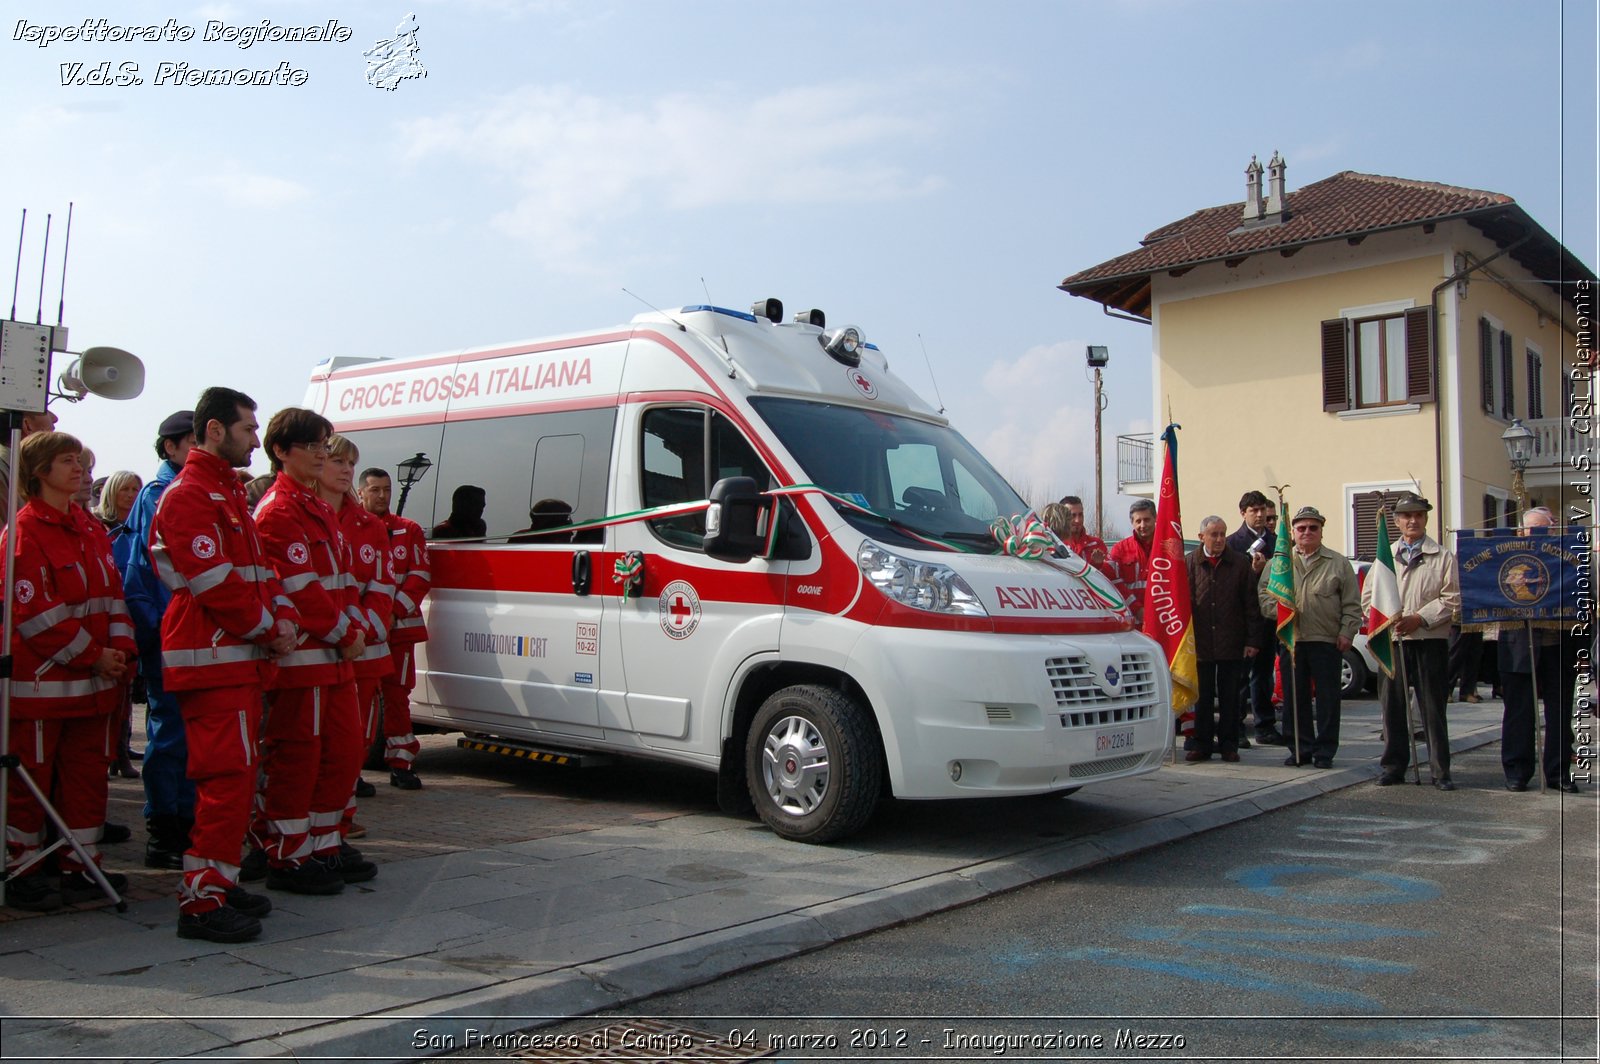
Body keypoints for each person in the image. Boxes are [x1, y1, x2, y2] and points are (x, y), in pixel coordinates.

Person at [149, 388, 286, 940]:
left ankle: (220, 882)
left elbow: (258, 573)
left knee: (238, 778)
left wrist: (275, 621)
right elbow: (214, 585)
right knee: (225, 781)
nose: (256, 439)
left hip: (235, 661)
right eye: (248, 429)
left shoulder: (224, 494)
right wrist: (270, 628)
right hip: (214, 661)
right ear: (213, 430)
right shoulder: (190, 496)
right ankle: (201, 903)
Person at [0, 431, 136, 912]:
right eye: (66, 461)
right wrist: (94, 654)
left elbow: (112, 597)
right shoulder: (24, 532)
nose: (78, 469)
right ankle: (23, 868)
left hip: (95, 687)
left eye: (79, 460)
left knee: (86, 781)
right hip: (43, 690)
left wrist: (120, 648)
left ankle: (82, 865)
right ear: (39, 473)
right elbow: (37, 615)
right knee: (28, 784)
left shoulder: (90, 528)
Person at [253, 409, 377, 894]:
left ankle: (323, 844)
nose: (324, 456)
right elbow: (301, 590)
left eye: (326, 445)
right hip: (303, 661)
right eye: (314, 447)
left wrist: (353, 629)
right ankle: (286, 855)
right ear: (282, 453)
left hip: (335, 658)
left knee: (343, 754)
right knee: (298, 758)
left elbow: (341, 585)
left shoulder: (318, 508)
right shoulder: (279, 510)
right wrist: (345, 631)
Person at [122, 411, 201, 869]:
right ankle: (164, 828)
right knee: (169, 734)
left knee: (191, 735)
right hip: (169, 636)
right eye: (190, 442)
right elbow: (140, 577)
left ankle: (186, 820)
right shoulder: (158, 496)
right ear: (169, 447)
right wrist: (158, 633)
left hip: (189, 636)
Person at [315, 435, 396, 822]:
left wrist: (361, 632)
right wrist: (342, 632)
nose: (346, 470)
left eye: (352, 463)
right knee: (313, 744)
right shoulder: (306, 513)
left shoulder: (370, 526)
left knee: (353, 742)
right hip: (316, 648)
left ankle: (340, 822)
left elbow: (381, 586)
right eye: (338, 461)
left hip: (362, 650)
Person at [1366, 493, 1461, 790]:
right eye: (1406, 516)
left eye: (1418, 515)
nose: (1412, 520)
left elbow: (1453, 600)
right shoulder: (1385, 556)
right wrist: (1385, 621)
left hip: (1427, 639)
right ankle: (1394, 767)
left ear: (1426, 519)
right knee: (1392, 707)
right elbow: (1369, 597)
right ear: (1396, 522)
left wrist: (1419, 618)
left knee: (1432, 708)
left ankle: (1439, 771)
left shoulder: (1443, 557)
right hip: (1393, 641)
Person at [1260, 505, 1359, 769]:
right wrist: (1282, 616)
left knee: (1328, 700)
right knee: (1295, 700)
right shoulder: (1278, 563)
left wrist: (1347, 633)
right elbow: (1264, 597)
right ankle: (1299, 749)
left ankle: (1324, 752)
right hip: (1293, 641)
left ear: (1321, 531)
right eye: (1301, 528)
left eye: (1313, 528)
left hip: (1327, 640)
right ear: (1292, 531)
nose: (1307, 532)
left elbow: (1352, 604)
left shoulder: (1338, 563)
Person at [1498, 507, 1581, 794]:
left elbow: (1585, 601)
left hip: (1559, 647)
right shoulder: (1506, 559)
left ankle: (1558, 773)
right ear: (1521, 533)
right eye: (1531, 530)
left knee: (1559, 713)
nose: (1536, 535)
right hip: (1518, 646)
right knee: (1518, 712)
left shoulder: (1568, 559)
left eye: (1543, 530)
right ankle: (1517, 772)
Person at [358, 467, 429, 788]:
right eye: (375, 490)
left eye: (386, 489)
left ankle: (402, 761)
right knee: (362, 699)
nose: (383, 496)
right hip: (365, 633)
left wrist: (393, 612)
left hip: (399, 631)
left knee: (398, 697)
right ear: (361, 493)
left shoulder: (407, 529)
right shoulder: (351, 528)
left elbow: (420, 576)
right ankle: (353, 768)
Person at [1185, 515, 1266, 762]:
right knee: (1204, 698)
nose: (1219, 539)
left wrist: (1253, 641)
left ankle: (1229, 744)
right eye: (1214, 534)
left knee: (1231, 697)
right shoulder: (1189, 563)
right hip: (1200, 643)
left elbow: (1251, 605)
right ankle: (1202, 744)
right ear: (1202, 537)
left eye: (1222, 534)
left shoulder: (1240, 564)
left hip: (1232, 642)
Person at [96, 469, 145, 780]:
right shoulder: (103, 528)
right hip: (109, 617)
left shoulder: (138, 526)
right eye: (125, 488)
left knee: (127, 693)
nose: (130, 494)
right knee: (112, 692)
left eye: (135, 489)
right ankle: (110, 754)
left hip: (132, 615)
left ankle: (122, 750)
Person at [1229, 491, 1285, 745]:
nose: (1260, 515)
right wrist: (1252, 572)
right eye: (1254, 510)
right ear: (1243, 513)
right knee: (1240, 675)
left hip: (1269, 618)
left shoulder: (1277, 542)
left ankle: (1265, 726)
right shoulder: (1233, 543)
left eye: (1263, 510)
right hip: (1243, 619)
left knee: (1264, 674)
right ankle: (1237, 728)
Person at [1042, 497, 1116, 582]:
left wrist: (1098, 565)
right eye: (1072, 516)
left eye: (1080, 515)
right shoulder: (1055, 544)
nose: (1078, 520)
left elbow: (1111, 577)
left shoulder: (1096, 544)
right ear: (1063, 518)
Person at [1108, 499, 1156, 627]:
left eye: (1147, 520)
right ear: (1132, 523)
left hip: (1161, 619)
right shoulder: (1120, 549)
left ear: (1155, 518)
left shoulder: (1166, 547)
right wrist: (1138, 609)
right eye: (1138, 521)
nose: (1143, 525)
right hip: (1131, 622)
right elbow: (1114, 584)